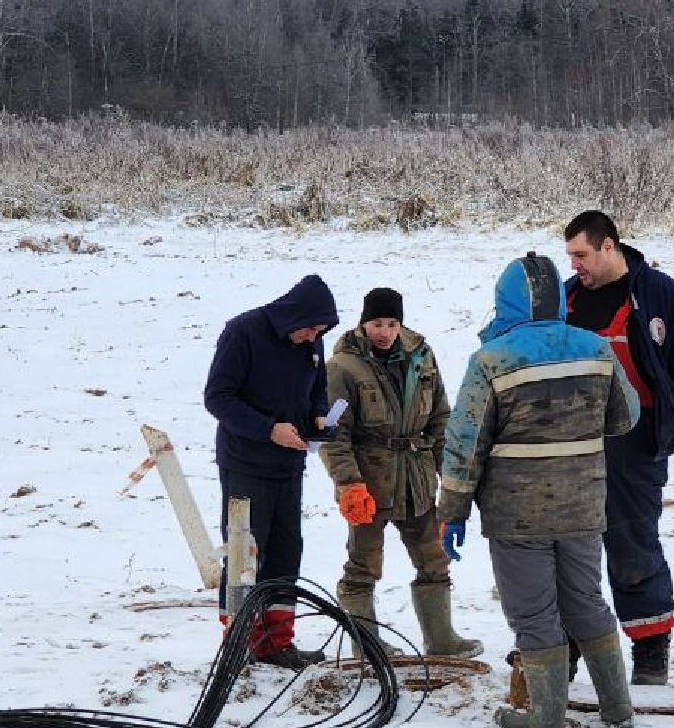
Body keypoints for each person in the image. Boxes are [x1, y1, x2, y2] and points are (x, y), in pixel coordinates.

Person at [437, 253, 639, 728]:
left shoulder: (491, 360)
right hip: (585, 504)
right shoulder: (594, 348)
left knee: (533, 612)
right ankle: (617, 707)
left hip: (518, 513)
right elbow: (625, 415)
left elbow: (465, 446)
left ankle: (545, 718)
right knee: (587, 601)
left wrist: (453, 512)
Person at [561, 210, 674, 685]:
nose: (575, 264)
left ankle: (649, 652)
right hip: (571, 443)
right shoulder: (565, 300)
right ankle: (563, 650)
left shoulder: (658, 294)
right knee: (567, 548)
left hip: (634, 443)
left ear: (609, 246)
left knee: (631, 543)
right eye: (570, 256)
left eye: (581, 254)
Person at [318, 287, 481, 659]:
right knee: (363, 567)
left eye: (392, 324)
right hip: (369, 485)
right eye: (377, 324)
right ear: (363, 323)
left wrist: (448, 470)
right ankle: (368, 646)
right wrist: (349, 483)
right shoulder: (342, 368)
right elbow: (332, 432)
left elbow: (441, 417)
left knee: (434, 561)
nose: (385, 332)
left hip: (417, 481)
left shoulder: (421, 357)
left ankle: (442, 639)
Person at [203, 274, 339, 669]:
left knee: (285, 550)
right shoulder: (243, 332)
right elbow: (218, 397)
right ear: (293, 316)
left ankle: (276, 642)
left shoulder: (311, 339)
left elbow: (317, 389)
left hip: (289, 465)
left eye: (321, 331)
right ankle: (238, 642)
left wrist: (317, 415)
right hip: (245, 464)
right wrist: (268, 429)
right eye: (311, 328)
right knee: (246, 554)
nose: (315, 336)